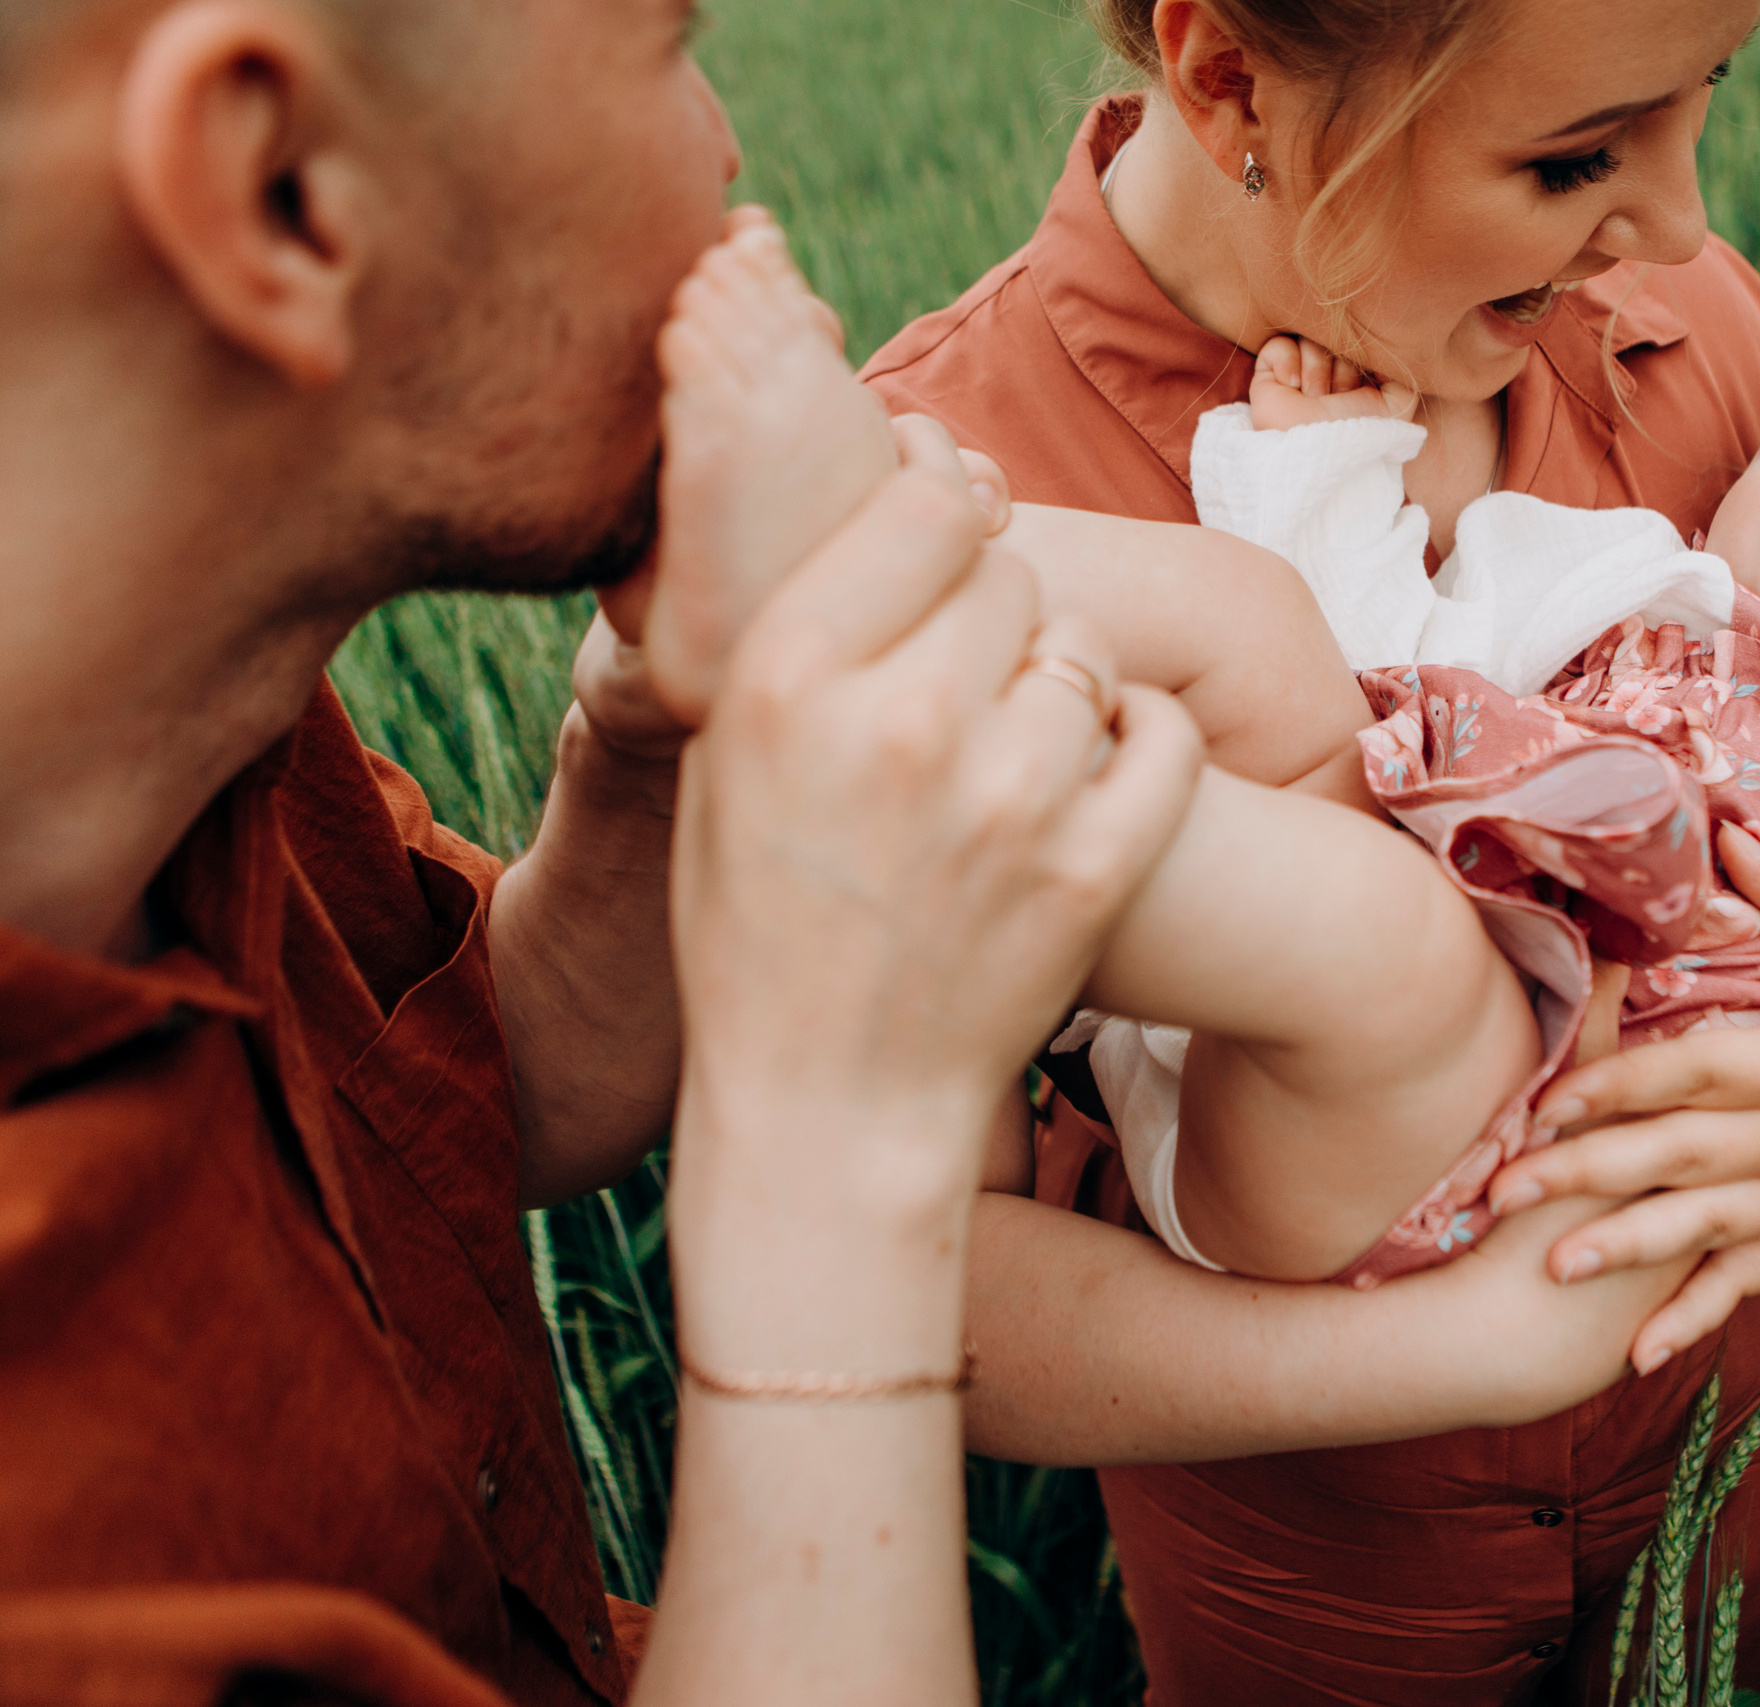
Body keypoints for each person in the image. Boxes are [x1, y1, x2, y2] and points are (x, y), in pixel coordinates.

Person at [853, 1, 1760, 1696]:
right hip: (1318, 1549)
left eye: (1701, 101)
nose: (1678, 223)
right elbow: (900, 1288)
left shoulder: (1684, 321)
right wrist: (1455, 1353)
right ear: (1227, 79)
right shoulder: (953, 507)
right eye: (1574, 156)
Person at [0, 1, 1215, 1702]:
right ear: (277, 188)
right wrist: (836, 1140)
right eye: (665, 45)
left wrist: (649, 751)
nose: (726, 145)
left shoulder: (171, 710)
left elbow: (489, 1090)